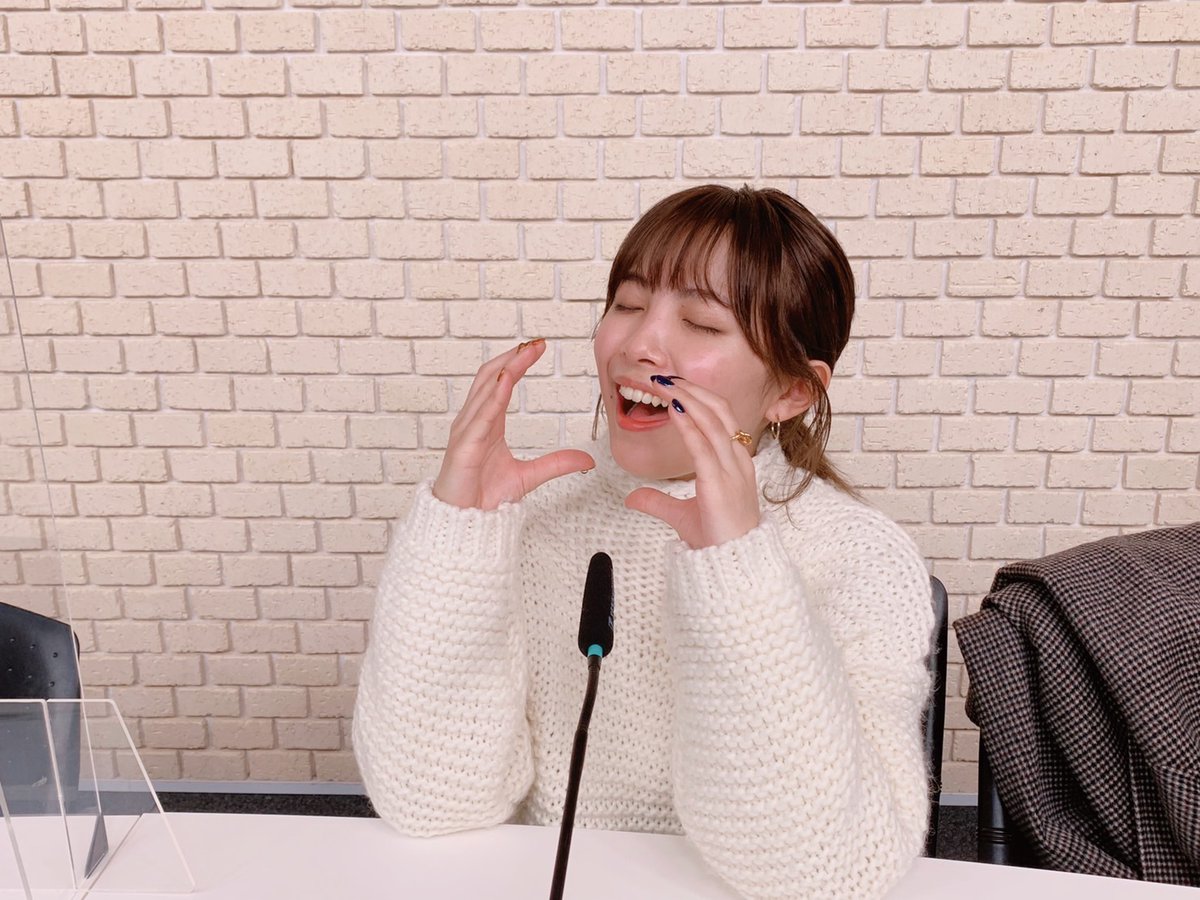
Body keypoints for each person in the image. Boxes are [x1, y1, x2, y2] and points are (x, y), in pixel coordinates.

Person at [353, 185, 935, 899]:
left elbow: (822, 873)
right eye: (627, 304)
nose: (636, 345)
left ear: (790, 391)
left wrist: (737, 572)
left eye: (701, 322)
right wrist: (457, 536)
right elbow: (430, 803)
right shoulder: (532, 516)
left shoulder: (859, 557)